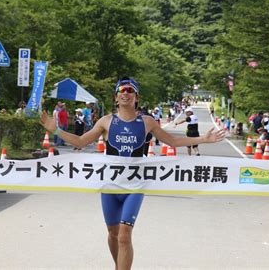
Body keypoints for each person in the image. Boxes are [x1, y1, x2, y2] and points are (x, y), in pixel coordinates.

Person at [40, 77, 225, 270]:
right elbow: (80, 142)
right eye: (122, 90)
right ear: (116, 97)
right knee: (113, 233)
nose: (125, 93)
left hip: (134, 186)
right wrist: (57, 130)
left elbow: (172, 142)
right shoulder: (106, 121)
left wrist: (203, 139)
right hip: (110, 186)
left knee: (124, 234)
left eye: (130, 90)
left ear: (136, 97)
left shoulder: (147, 122)